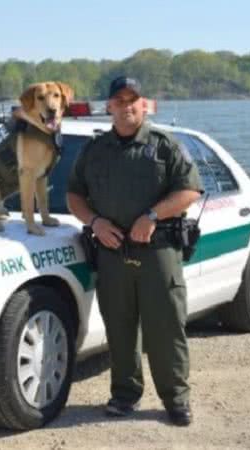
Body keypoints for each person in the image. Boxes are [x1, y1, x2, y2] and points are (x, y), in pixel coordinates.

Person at [66, 76, 203, 426]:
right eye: (119, 100)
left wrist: (153, 215)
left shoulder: (163, 145)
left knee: (166, 329)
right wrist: (95, 222)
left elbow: (190, 190)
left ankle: (176, 399)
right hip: (112, 253)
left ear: (144, 105)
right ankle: (125, 395)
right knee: (120, 329)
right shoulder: (94, 150)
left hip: (157, 251)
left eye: (133, 100)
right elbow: (74, 196)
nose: (126, 106)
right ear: (109, 106)